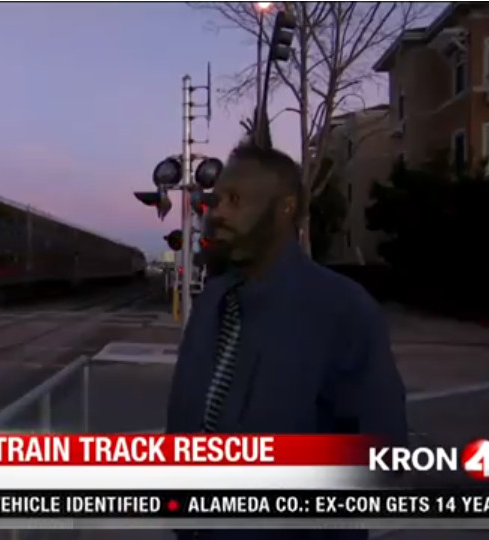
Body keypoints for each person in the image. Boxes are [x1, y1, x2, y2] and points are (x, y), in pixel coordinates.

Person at [166, 144, 409, 540]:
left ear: (284, 208)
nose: (218, 212)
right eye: (217, 200)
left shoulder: (342, 310)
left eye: (235, 200)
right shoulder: (213, 300)